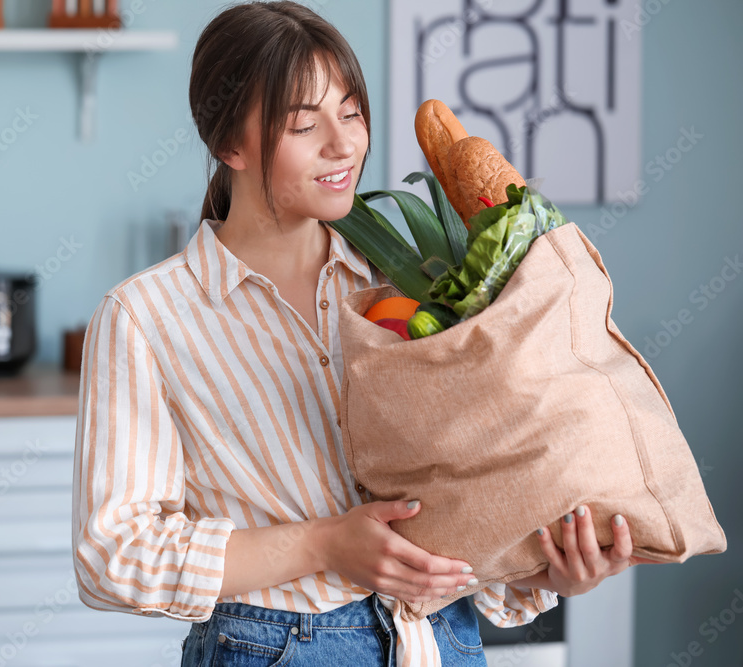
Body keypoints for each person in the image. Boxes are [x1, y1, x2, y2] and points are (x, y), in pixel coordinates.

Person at [72, 3, 653, 665]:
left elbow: (460, 503)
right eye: (303, 124)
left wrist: (551, 573)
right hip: (277, 647)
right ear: (229, 144)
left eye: (351, 113)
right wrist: (324, 543)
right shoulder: (147, 316)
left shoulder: (415, 284)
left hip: (442, 640)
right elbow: (112, 555)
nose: (344, 143)